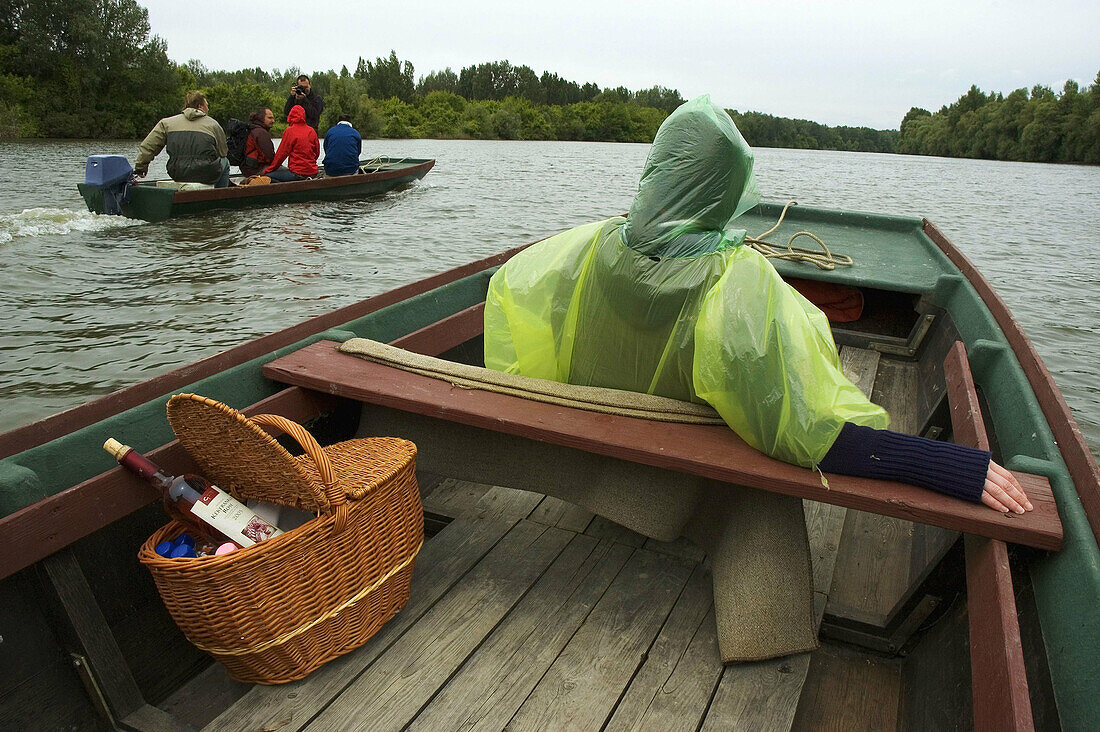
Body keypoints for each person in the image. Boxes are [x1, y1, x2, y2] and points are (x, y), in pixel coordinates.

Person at [484, 95, 1031, 515]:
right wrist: (942, 463)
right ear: (726, 192)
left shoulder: (590, 245)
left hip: (595, 464)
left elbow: (509, 289)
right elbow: (801, 432)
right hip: (681, 483)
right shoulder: (736, 278)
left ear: (656, 169)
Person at [134, 91, 229, 188]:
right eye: (207, 106)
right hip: (205, 174)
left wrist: (140, 167)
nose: (208, 109)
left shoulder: (166, 123)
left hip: (177, 173)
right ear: (200, 107)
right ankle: (221, 196)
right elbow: (223, 152)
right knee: (225, 161)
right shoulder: (213, 124)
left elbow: (148, 147)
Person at [262, 105, 319, 182]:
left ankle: (283, 191)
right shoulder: (312, 131)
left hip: (297, 173)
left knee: (267, 177)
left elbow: (281, 155)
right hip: (313, 172)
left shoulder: (290, 131)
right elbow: (317, 152)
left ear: (290, 116)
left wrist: (269, 169)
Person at [239, 107, 275, 177]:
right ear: (261, 118)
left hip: (247, 169)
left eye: (273, 118)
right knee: (287, 173)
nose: (273, 121)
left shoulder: (252, 129)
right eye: (269, 118)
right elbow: (270, 156)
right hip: (257, 170)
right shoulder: (260, 133)